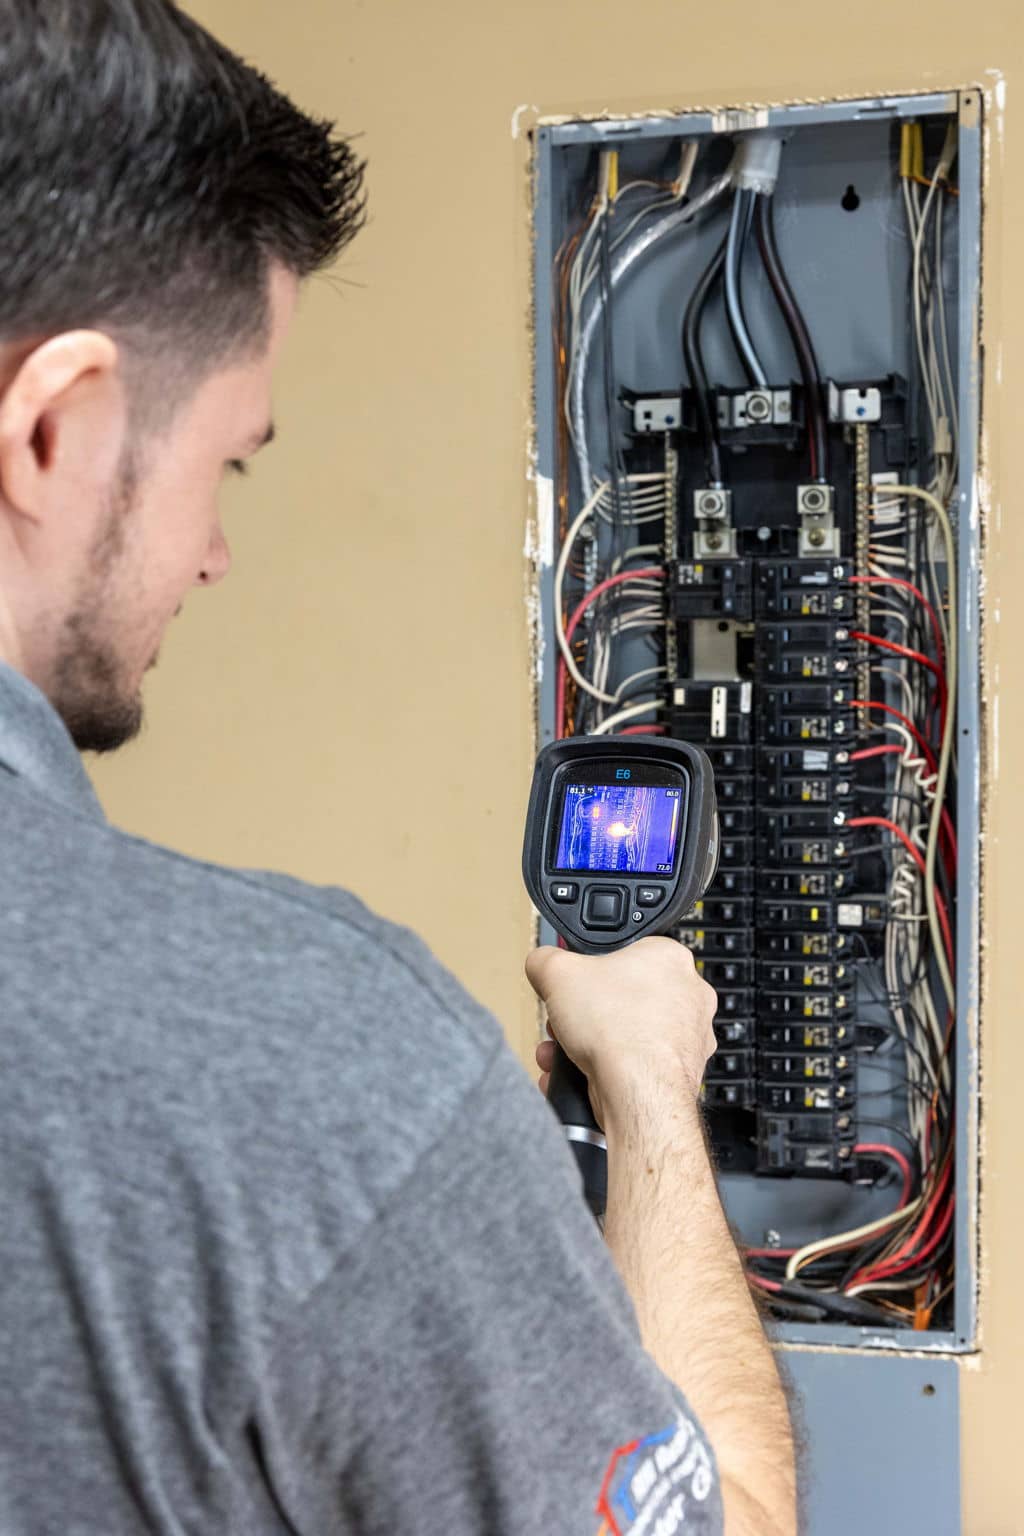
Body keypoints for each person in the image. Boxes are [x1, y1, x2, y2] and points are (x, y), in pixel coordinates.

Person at [0, 2, 796, 1532]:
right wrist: (645, 1099)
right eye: (225, 463)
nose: (216, 555)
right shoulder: (315, 1070)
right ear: (57, 429)